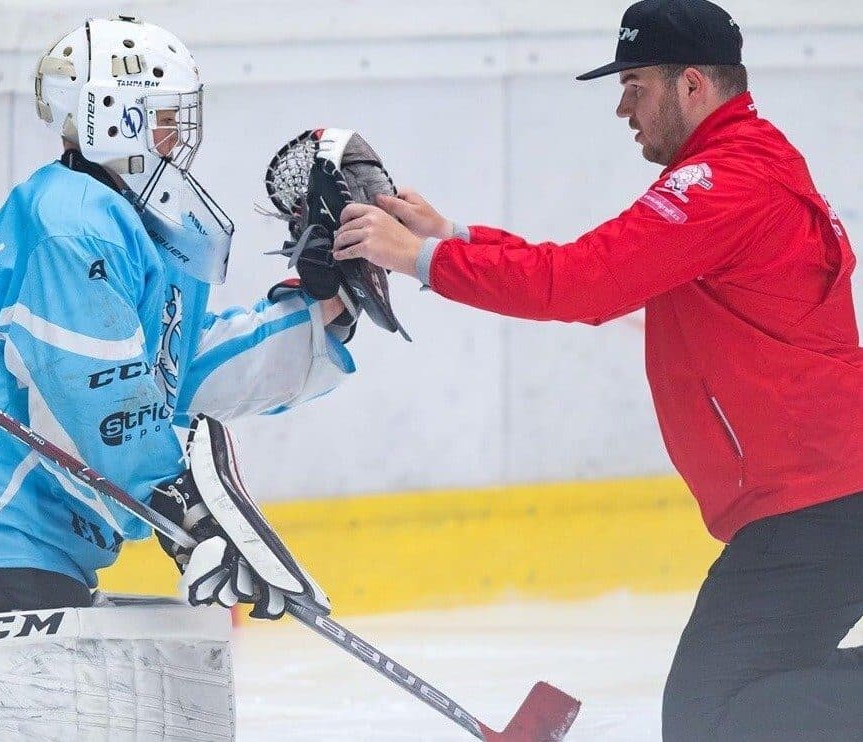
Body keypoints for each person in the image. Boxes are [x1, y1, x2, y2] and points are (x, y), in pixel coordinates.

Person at [331, 0, 863, 739]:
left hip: (817, 508)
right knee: (730, 709)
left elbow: (582, 283)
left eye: (635, 83)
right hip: (823, 501)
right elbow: (603, 270)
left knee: (715, 719)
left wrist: (419, 257)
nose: (622, 106)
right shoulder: (739, 165)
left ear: (691, 88)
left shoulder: (723, 184)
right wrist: (455, 237)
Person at [0, 15, 356, 622]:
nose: (180, 137)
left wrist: (318, 317)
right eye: (168, 118)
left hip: (0, 534)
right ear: (116, 118)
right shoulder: (73, 222)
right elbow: (87, 389)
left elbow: (172, 373)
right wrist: (177, 504)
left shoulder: (117, 225)